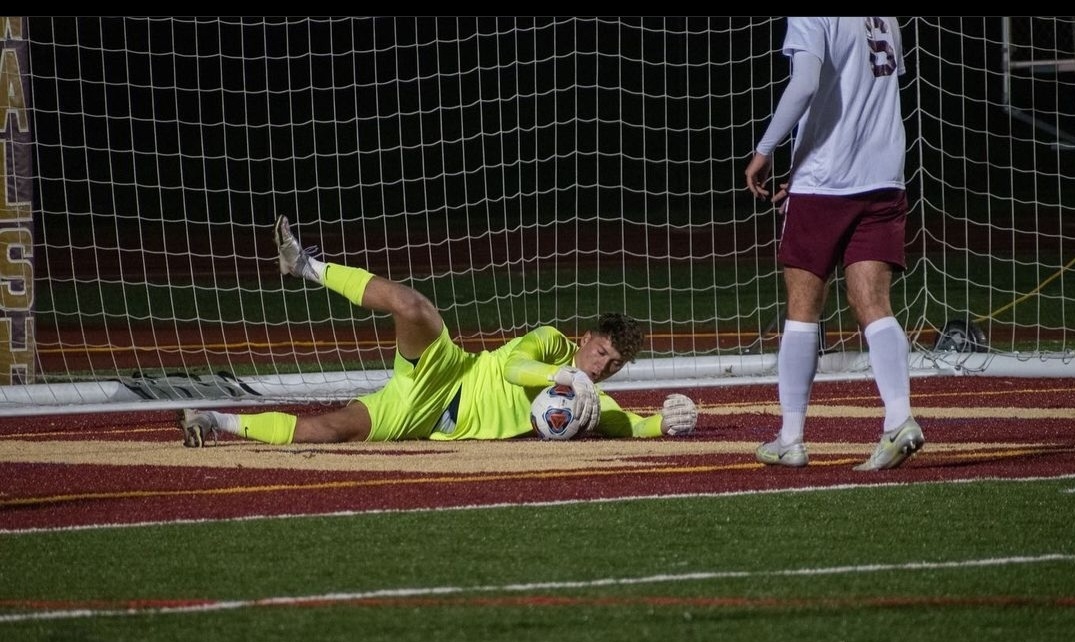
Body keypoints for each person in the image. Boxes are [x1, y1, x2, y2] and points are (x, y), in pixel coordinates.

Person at [179, 216, 698, 447]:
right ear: (584, 338)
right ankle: (305, 267)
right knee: (412, 306)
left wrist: (668, 422)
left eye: (613, 365)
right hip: (448, 372)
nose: (601, 367)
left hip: (423, 417)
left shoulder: (590, 402)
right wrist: (565, 375)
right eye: (600, 352)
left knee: (330, 431)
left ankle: (214, 420)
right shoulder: (549, 344)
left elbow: (629, 426)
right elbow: (515, 368)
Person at [743, 17, 923, 471]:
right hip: (885, 178)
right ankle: (899, 417)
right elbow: (868, 91)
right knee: (874, 304)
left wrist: (766, 149)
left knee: (803, 309)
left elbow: (805, 85)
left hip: (826, 182)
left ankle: (790, 437)